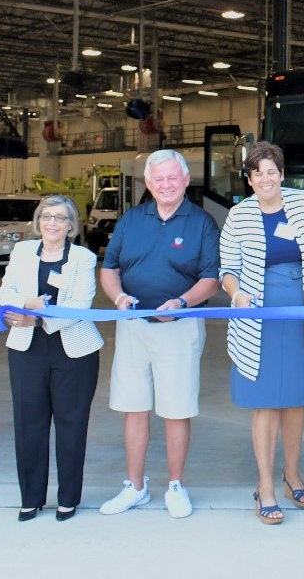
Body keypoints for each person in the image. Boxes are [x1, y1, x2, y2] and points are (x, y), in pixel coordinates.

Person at [218, 141, 304, 525]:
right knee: (266, 400)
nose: (266, 178)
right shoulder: (238, 216)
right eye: (258, 173)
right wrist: (236, 295)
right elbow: (227, 269)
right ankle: (265, 486)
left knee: (295, 398)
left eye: (272, 171)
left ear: (283, 175)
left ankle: (292, 475)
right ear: (250, 179)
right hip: (259, 319)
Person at [98, 149, 220, 518]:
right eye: (158, 179)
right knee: (134, 407)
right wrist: (117, 296)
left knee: (176, 409)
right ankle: (135, 487)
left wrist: (182, 303)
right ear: (148, 183)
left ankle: (175, 486)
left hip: (180, 328)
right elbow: (110, 268)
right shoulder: (132, 220)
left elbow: (211, 280)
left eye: (173, 178)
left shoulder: (202, 223)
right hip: (134, 325)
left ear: (186, 180)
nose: (166, 185)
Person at [0, 195, 103, 522]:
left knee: (71, 425)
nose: (52, 223)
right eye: (46, 217)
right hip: (27, 349)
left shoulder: (83, 258)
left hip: (73, 350)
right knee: (29, 424)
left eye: (60, 217)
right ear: (38, 221)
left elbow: (80, 304)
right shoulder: (22, 252)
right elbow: (5, 293)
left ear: (71, 225)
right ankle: (31, 497)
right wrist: (27, 304)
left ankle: (68, 499)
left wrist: (39, 319)